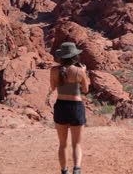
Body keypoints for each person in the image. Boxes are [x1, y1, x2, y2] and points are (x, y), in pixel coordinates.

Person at [48, 42, 90, 174]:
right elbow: (85, 89)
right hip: (76, 107)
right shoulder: (79, 71)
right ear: (74, 56)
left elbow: (53, 88)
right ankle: (76, 170)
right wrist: (83, 73)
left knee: (62, 144)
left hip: (61, 106)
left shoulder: (54, 70)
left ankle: (64, 171)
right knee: (76, 144)